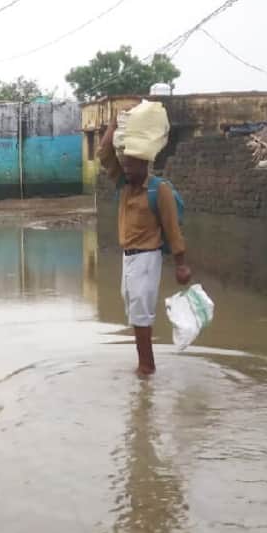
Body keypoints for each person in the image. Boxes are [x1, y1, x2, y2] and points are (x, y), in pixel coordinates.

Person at [97, 119, 191, 375]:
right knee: (134, 312)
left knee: (141, 315)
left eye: (131, 164)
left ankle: (146, 368)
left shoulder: (158, 190)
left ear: (145, 163)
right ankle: (145, 365)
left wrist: (181, 265)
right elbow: (104, 156)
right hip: (128, 258)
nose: (126, 168)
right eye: (125, 164)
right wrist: (112, 127)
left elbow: (172, 228)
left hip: (148, 259)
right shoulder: (125, 185)